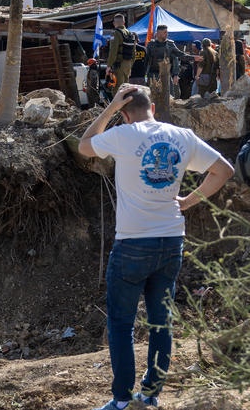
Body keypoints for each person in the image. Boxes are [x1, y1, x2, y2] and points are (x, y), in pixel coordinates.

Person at [78, 85, 234, 410]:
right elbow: (223, 170)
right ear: (153, 109)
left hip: (133, 243)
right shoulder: (183, 136)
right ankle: (150, 395)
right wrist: (188, 202)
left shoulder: (123, 134)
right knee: (161, 320)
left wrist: (107, 110)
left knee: (121, 323)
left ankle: (121, 400)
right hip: (171, 241)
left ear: (124, 111)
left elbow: (84, 146)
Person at [106, 14, 135, 89]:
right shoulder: (130, 34)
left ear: (114, 23)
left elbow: (113, 51)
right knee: (126, 88)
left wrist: (109, 65)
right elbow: (134, 51)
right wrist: (130, 65)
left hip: (119, 64)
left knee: (117, 89)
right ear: (124, 22)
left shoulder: (115, 33)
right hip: (128, 64)